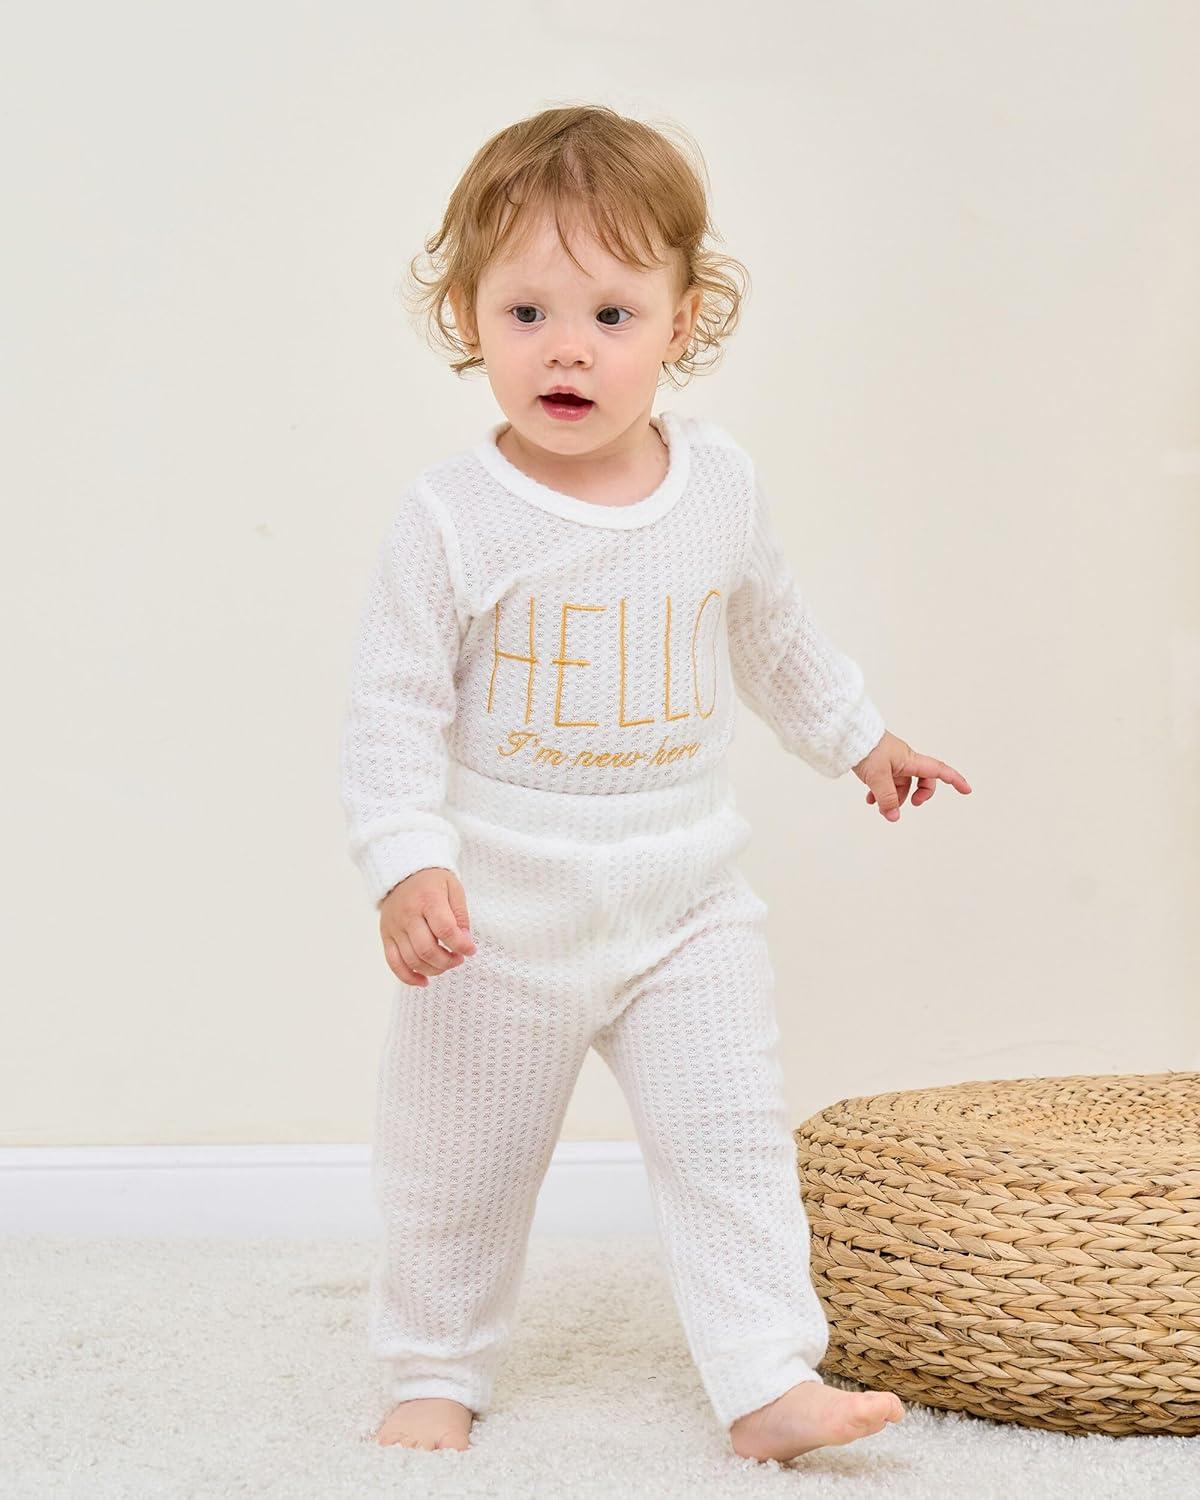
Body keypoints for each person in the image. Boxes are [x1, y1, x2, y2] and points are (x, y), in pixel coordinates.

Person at [338, 103, 971, 1460]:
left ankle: (767, 1380)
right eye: (526, 312)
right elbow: (390, 707)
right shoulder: (453, 516)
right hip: (498, 916)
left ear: (682, 323)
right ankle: (435, 1366)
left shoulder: (718, 485)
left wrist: (863, 738)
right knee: (458, 1162)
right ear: (467, 318)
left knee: (731, 1144)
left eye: (612, 315)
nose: (567, 347)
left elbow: (774, 636)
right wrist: (405, 862)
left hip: (686, 901)